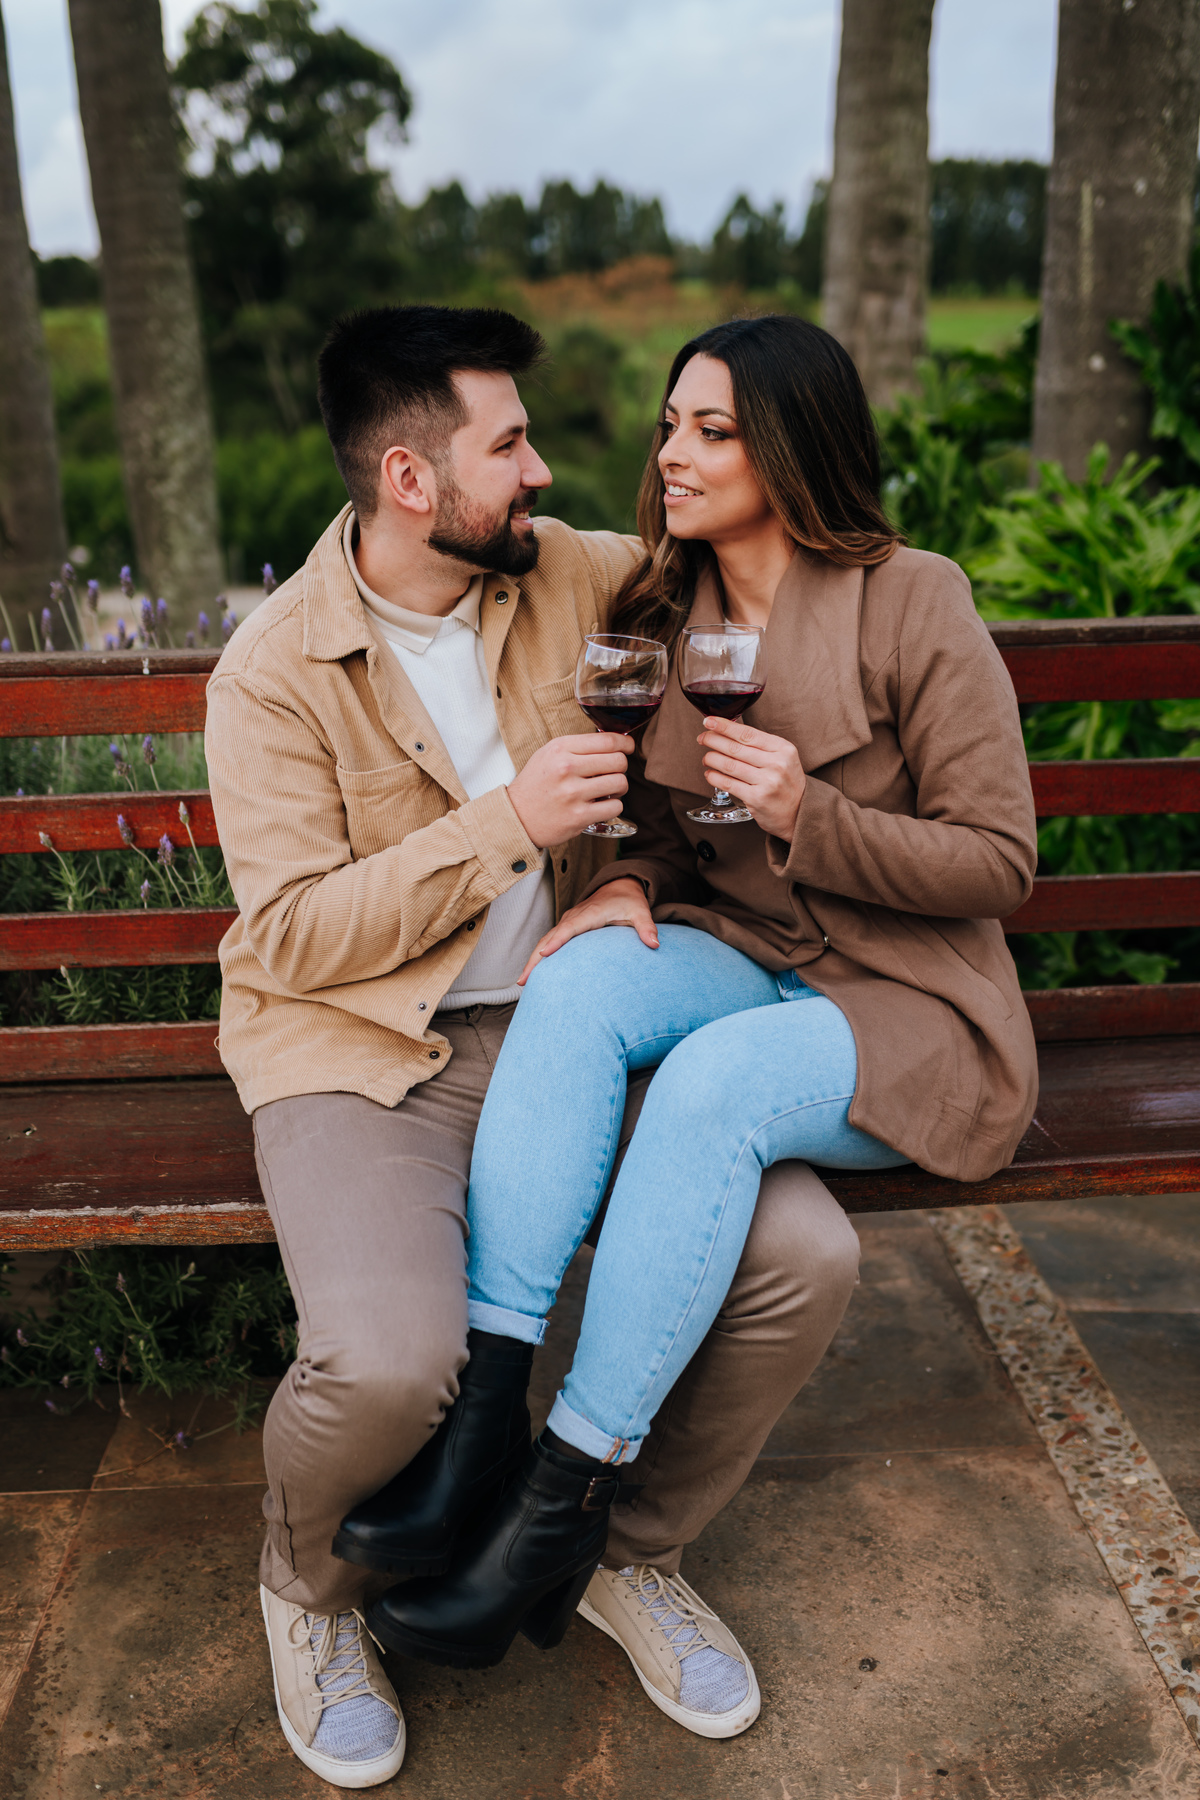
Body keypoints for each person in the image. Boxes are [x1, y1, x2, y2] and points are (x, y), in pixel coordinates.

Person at [205, 304, 869, 1787]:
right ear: (411, 479)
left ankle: (617, 1549)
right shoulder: (271, 672)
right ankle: (310, 1591)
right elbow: (293, 938)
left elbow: (747, 582)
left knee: (801, 1258)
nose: (545, 470)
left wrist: (638, 870)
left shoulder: (575, 576)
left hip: (575, 1024)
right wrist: (504, 826)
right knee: (391, 1363)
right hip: (363, 1053)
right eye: (509, 446)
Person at [363, 314, 1041, 1737]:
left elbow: (998, 863)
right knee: (579, 980)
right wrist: (626, 885)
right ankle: (480, 1430)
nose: (672, 453)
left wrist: (814, 813)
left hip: (911, 1003)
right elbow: (676, 845)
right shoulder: (665, 615)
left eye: (713, 430)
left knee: (713, 1084)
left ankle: (558, 1509)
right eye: (673, 423)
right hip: (754, 957)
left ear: (792, 448)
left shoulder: (915, 600)